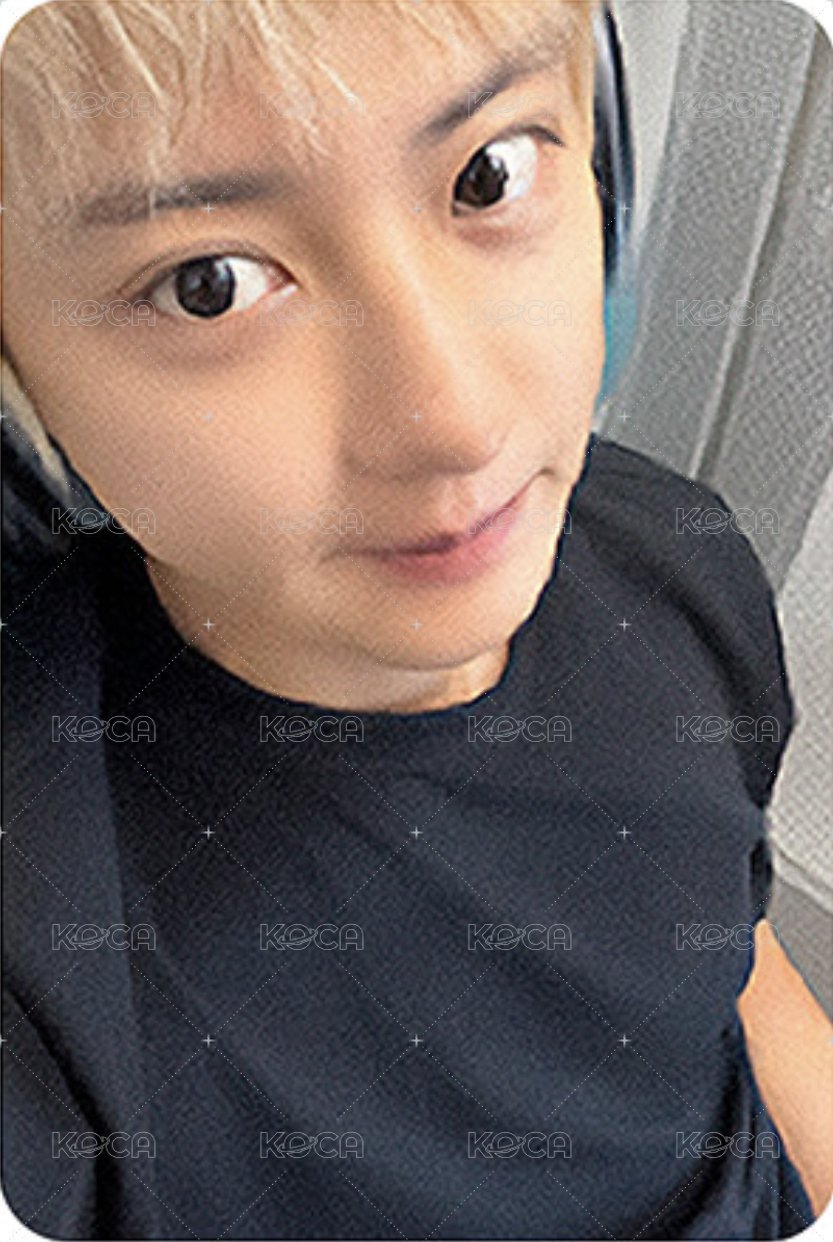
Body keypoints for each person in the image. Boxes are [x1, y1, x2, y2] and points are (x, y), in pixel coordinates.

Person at [1, 1, 831, 1238]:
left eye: (485, 174)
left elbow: (728, 959)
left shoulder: (672, 553)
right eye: (207, 286)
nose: (455, 422)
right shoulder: (47, 944)